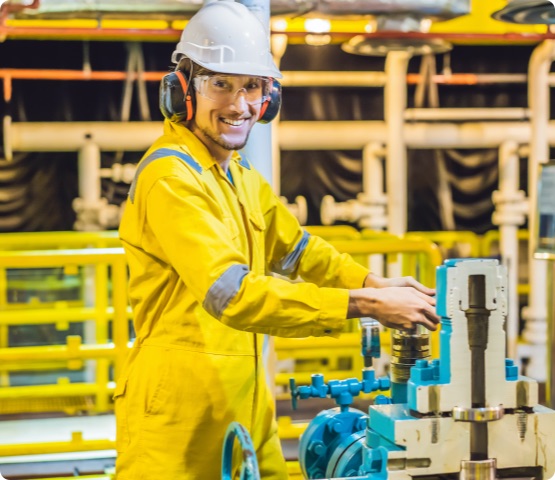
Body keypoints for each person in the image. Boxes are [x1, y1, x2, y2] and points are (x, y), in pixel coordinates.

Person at [114, 0, 440, 478]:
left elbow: (300, 250)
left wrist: (377, 282)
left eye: (252, 86)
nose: (239, 104)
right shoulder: (172, 177)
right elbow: (232, 296)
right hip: (176, 423)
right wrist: (366, 305)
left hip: (246, 407)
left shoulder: (239, 175)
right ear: (183, 90)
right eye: (220, 85)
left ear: (269, 97)